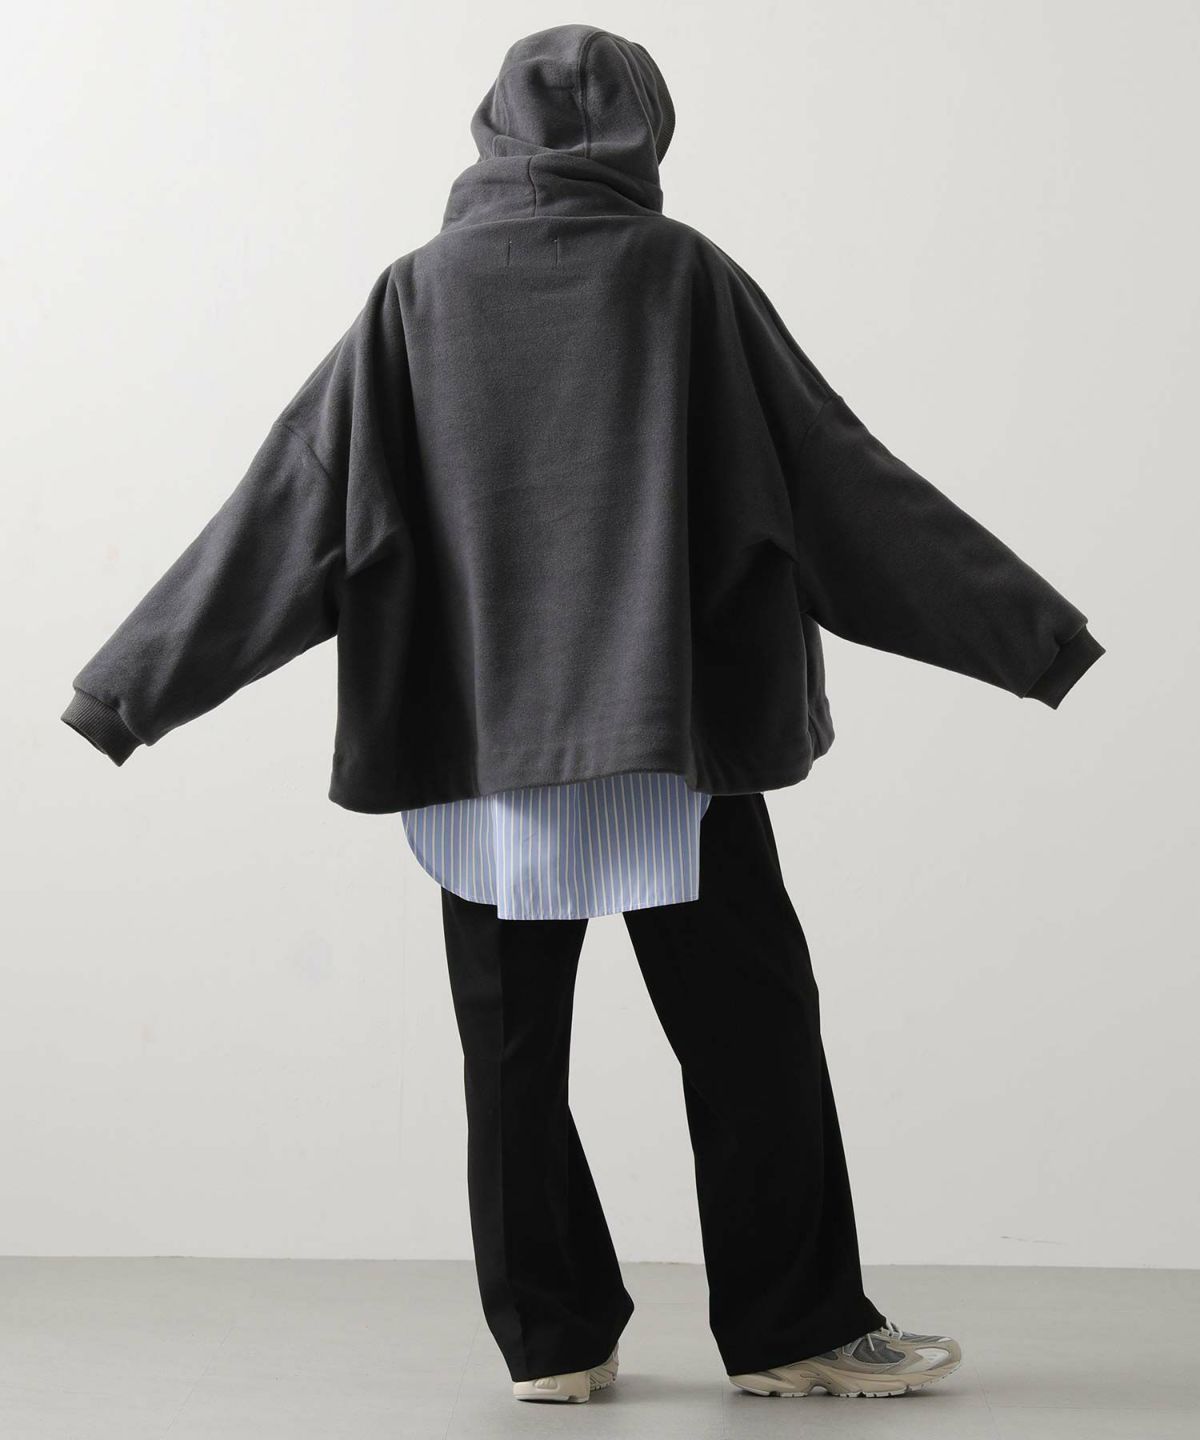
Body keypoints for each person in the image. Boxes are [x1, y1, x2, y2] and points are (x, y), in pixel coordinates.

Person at [60, 23, 1104, 1406]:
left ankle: (553, 1344)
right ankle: (791, 1330)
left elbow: (290, 509)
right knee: (751, 1037)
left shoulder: (416, 298)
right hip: (670, 739)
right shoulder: (685, 280)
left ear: (491, 128)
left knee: (511, 1060)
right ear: (648, 133)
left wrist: (125, 689)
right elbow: (841, 486)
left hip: (478, 748)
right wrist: (1033, 636)